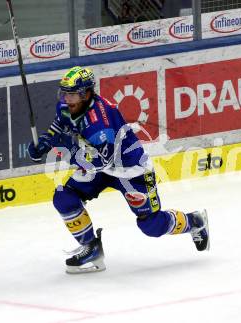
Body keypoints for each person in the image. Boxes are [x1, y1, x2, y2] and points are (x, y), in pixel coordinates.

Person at [28, 66, 209, 274]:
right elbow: (60, 124)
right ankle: (92, 249)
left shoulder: (99, 123)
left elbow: (100, 161)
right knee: (63, 197)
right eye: (65, 93)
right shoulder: (69, 106)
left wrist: (65, 148)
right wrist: (45, 141)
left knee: (151, 225)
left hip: (130, 170)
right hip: (101, 168)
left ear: (86, 94)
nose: (66, 99)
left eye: (72, 94)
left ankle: (195, 221)